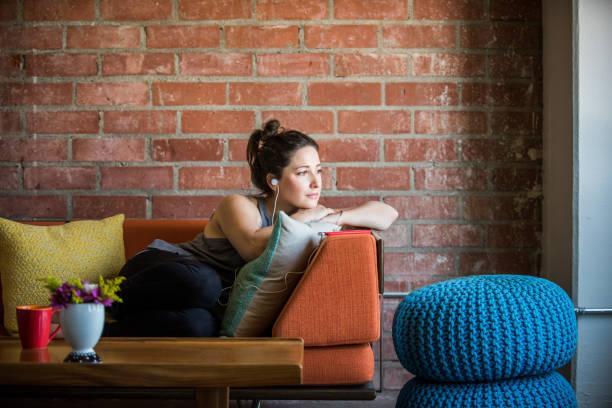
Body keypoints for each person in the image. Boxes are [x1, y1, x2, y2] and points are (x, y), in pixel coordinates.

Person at [105, 119, 398, 337]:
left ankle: (102, 329)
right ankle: (102, 301)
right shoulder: (238, 205)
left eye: (318, 170)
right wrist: (311, 217)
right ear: (274, 180)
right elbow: (253, 247)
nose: (316, 183)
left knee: (201, 326)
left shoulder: (314, 213)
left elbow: (386, 214)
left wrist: (335, 215)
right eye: (302, 173)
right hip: (162, 269)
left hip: (202, 300)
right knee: (207, 283)